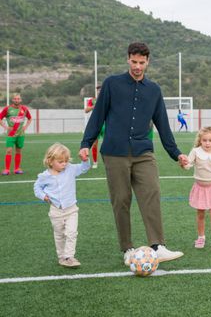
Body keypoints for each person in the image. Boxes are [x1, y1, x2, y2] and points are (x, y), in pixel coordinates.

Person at [79, 42, 188, 265]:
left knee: (152, 193)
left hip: (143, 152)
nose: (137, 66)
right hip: (114, 152)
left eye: (142, 62)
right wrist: (86, 143)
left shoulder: (154, 90)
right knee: (121, 200)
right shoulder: (111, 84)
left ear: (147, 62)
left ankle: (158, 246)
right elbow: (97, 115)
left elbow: (163, 126)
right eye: (134, 61)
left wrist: (176, 154)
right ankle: (127, 249)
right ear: (128, 59)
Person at [34, 143, 90, 268]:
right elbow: (37, 187)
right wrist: (43, 196)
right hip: (56, 212)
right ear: (50, 161)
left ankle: (69, 257)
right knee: (59, 235)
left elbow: (84, 168)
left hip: (71, 210)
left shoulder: (70, 169)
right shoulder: (44, 177)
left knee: (71, 233)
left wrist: (85, 160)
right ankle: (61, 258)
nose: (64, 164)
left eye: (66, 161)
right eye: (60, 162)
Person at [184, 126, 211, 252]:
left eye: (210, 140)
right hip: (199, 188)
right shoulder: (196, 151)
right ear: (200, 140)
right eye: (204, 140)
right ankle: (201, 237)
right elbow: (188, 165)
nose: (207, 143)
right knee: (201, 213)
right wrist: (184, 163)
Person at [0, 93, 32, 175]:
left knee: (18, 151)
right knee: (9, 151)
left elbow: (30, 118)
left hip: (21, 134)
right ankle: (7, 170)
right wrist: (5, 127)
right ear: (12, 100)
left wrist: (26, 126)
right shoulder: (7, 109)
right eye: (15, 99)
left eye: (18, 99)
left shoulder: (24, 109)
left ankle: (17, 169)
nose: (17, 100)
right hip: (11, 134)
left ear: (20, 100)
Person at [84, 85, 104, 169]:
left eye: (100, 90)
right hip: (96, 124)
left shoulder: (107, 98)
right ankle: (95, 162)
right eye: (98, 90)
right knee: (95, 144)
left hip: (106, 124)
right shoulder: (92, 100)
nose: (99, 91)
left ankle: (107, 161)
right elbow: (86, 110)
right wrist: (94, 106)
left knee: (108, 143)